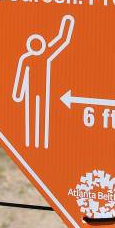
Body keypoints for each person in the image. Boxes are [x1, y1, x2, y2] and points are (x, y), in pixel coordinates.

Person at [12, 15, 74, 149]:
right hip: (32, 90)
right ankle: (33, 142)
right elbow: (22, 75)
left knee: (41, 115)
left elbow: (61, 41)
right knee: (32, 115)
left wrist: (68, 24)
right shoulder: (29, 59)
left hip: (42, 90)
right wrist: (18, 94)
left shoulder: (43, 56)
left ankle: (39, 141)